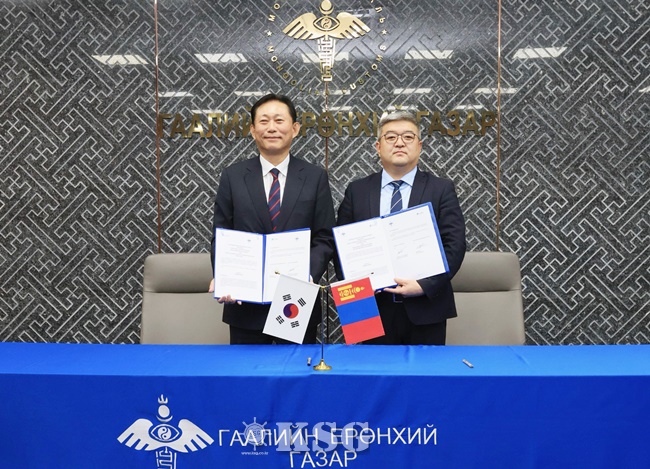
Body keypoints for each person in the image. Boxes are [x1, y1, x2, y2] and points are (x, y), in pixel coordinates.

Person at [209, 93, 336, 344]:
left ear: (295, 128)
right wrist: (224, 276)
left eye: (279, 120)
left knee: (297, 368)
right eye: (264, 121)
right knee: (249, 369)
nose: (271, 128)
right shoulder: (233, 176)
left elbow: (324, 237)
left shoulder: (314, 177)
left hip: (296, 300)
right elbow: (221, 234)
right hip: (245, 305)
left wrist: (307, 274)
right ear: (253, 130)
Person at [336, 110, 466, 345]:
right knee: (371, 368)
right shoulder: (357, 190)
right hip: (370, 308)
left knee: (424, 369)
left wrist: (424, 285)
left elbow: (454, 246)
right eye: (391, 137)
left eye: (408, 137)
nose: (399, 143)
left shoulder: (441, 189)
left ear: (420, 146)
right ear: (378, 147)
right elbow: (341, 249)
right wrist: (358, 291)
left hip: (425, 307)